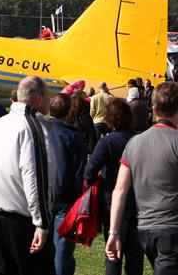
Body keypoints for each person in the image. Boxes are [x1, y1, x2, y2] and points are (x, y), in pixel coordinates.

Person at [0, 76, 56, 275]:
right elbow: (35, 177)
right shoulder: (31, 126)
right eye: (48, 95)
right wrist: (42, 223)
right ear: (38, 97)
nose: (50, 100)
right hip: (22, 220)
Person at [106, 82, 178, 273]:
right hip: (171, 229)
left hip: (145, 229)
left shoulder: (134, 143)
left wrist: (114, 231)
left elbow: (119, 190)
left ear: (153, 110)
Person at [84, 98, 143, 275]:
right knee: (135, 253)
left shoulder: (108, 142)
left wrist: (92, 184)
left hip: (112, 200)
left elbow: (90, 170)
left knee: (113, 251)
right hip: (138, 200)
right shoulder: (139, 139)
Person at [48, 93, 87, 275]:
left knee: (48, 248)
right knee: (62, 250)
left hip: (44, 195)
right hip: (66, 197)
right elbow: (80, 172)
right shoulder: (72, 138)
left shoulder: (41, 132)